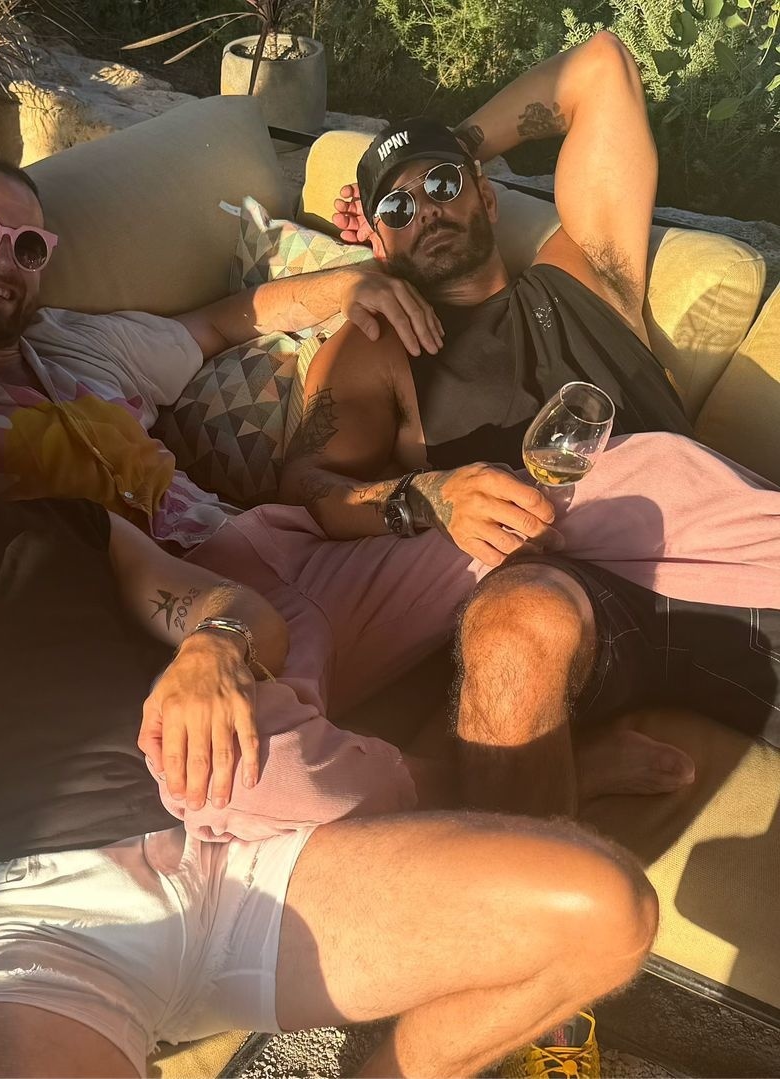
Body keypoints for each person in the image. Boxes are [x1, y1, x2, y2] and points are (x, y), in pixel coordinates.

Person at [0, 261, 658, 1078]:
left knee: (604, 911)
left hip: (223, 854)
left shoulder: (64, 522)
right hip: (12, 919)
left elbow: (235, 608)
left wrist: (213, 646)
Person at [279, 30, 780, 816]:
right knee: (518, 622)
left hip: (713, 567)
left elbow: (601, 68)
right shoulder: (376, 349)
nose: (426, 209)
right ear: (376, 240)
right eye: (398, 207)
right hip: (569, 600)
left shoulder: (589, 272)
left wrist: (455, 141)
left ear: (486, 195)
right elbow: (306, 484)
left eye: (442, 184)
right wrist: (428, 495)